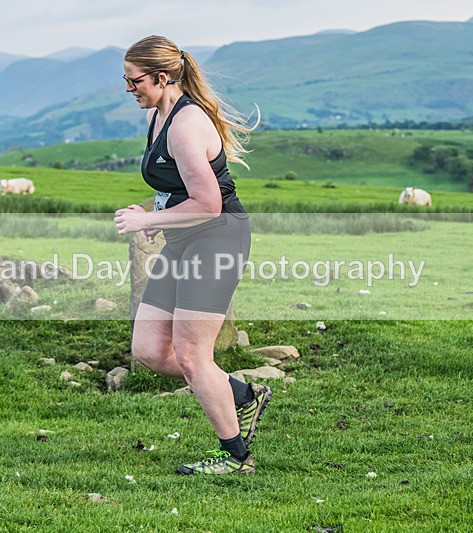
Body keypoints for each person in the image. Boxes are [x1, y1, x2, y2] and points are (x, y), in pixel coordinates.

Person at [114, 35, 271, 475]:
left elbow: (208, 203)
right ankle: (242, 395)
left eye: (134, 81)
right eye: (125, 81)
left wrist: (148, 224)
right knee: (148, 349)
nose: (130, 89)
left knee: (190, 354)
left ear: (161, 77)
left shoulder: (185, 124)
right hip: (186, 242)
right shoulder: (158, 115)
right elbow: (175, 189)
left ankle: (236, 457)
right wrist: (150, 212)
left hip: (217, 239)